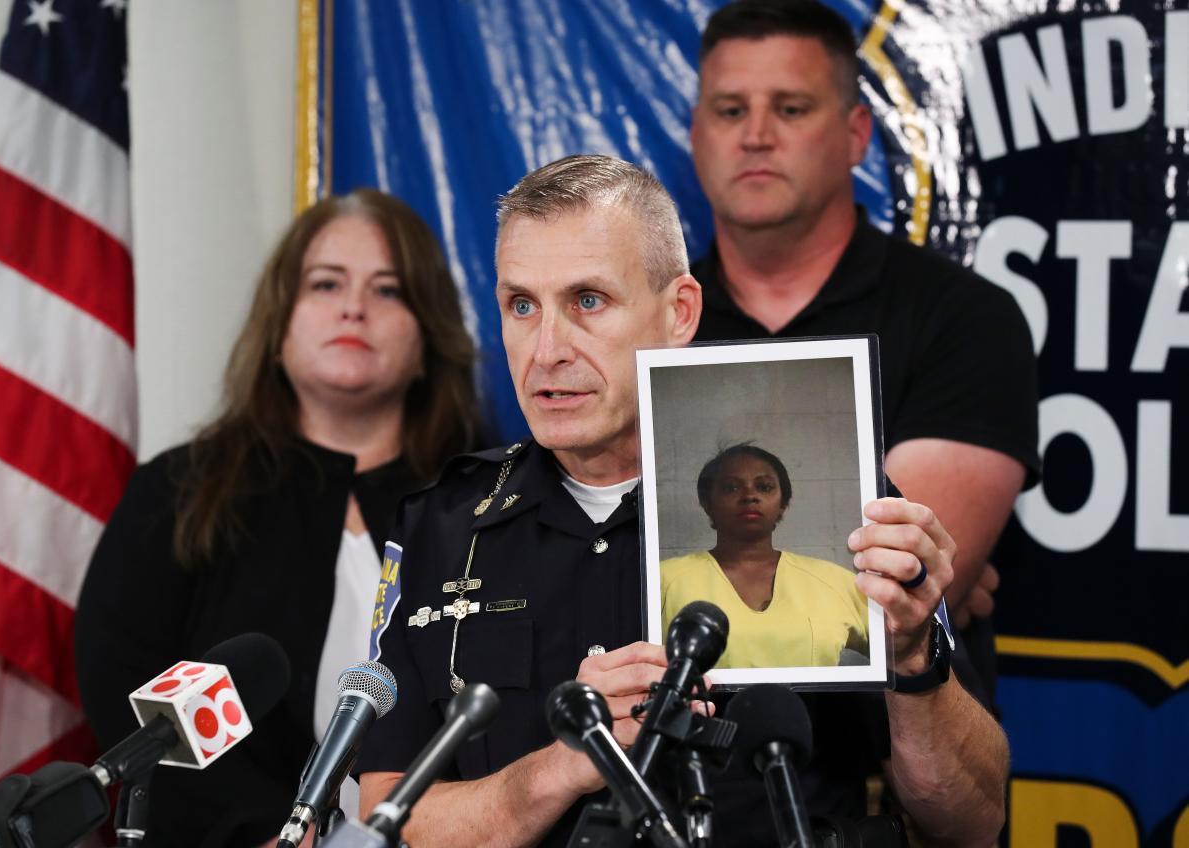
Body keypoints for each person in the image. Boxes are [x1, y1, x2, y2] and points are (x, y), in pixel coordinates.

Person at [355, 154, 1008, 847]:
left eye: (587, 301)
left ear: (679, 312)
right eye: (522, 304)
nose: (546, 349)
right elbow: (385, 823)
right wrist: (568, 762)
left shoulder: (851, 503)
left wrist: (913, 661)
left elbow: (972, 819)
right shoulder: (444, 524)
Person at [74, 188, 483, 846]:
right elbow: (124, 697)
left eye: (389, 290)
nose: (354, 306)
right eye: (326, 284)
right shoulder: (179, 491)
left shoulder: (493, 499)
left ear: (429, 336)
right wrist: (263, 833)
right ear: (280, 323)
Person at [687, 0, 1041, 694]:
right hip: (676, 777)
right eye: (730, 111)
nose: (755, 135)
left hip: (892, 776)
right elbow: (589, 565)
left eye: (790, 109)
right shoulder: (648, 322)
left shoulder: (966, 319)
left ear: (855, 134)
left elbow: (893, 605)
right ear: (695, 135)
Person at [661, 444, 869, 669]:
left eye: (764, 487)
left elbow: (902, 655)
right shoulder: (664, 580)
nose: (750, 496)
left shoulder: (836, 582)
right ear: (707, 504)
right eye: (731, 488)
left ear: (783, 504)